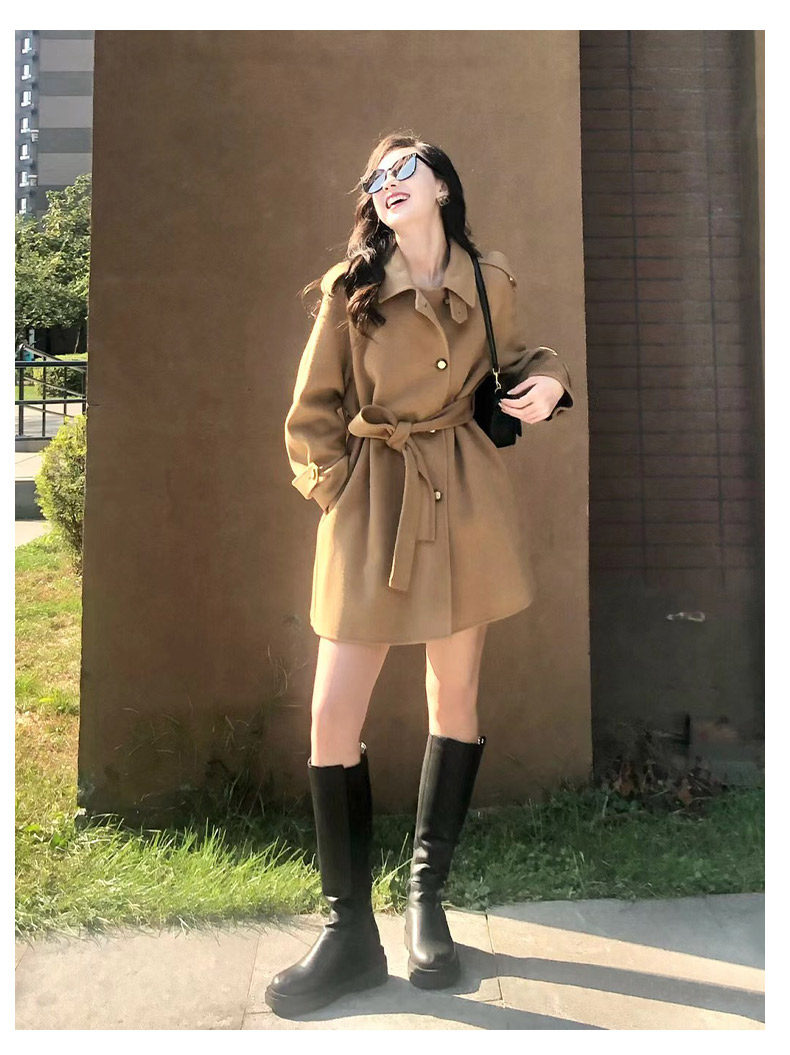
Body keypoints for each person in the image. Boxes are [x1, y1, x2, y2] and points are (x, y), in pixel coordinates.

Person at [264, 133, 575, 1018]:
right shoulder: (350, 288)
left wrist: (550, 384)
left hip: (465, 500)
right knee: (332, 715)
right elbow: (310, 413)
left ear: (440, 184)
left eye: (405, 168)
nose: (387, 183)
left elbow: (523, 359)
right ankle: (348, 933)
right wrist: (339, 493)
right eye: (375, 177)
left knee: (456, 696)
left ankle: (426, 902)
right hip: (375, 502)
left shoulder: (489, 278)